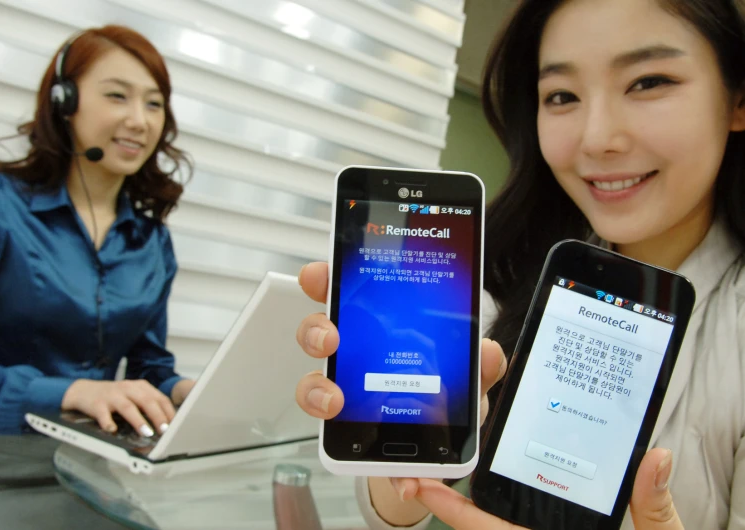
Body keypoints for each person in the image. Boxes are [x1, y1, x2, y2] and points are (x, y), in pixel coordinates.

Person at [293, 0, 745, 529]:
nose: (597, 139)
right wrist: (402, 468)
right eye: (561, 95)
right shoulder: (495, 280)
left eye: (648, 82)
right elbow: (398, 506)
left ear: (737, 97)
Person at [0, 25, 196, 439]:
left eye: (154, 104)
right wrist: (70, 391)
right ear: (64, 102)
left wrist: (185, 391)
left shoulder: (151, 240)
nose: (139, 121)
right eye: (117, 96)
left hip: (95, 461)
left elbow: (149, 367)